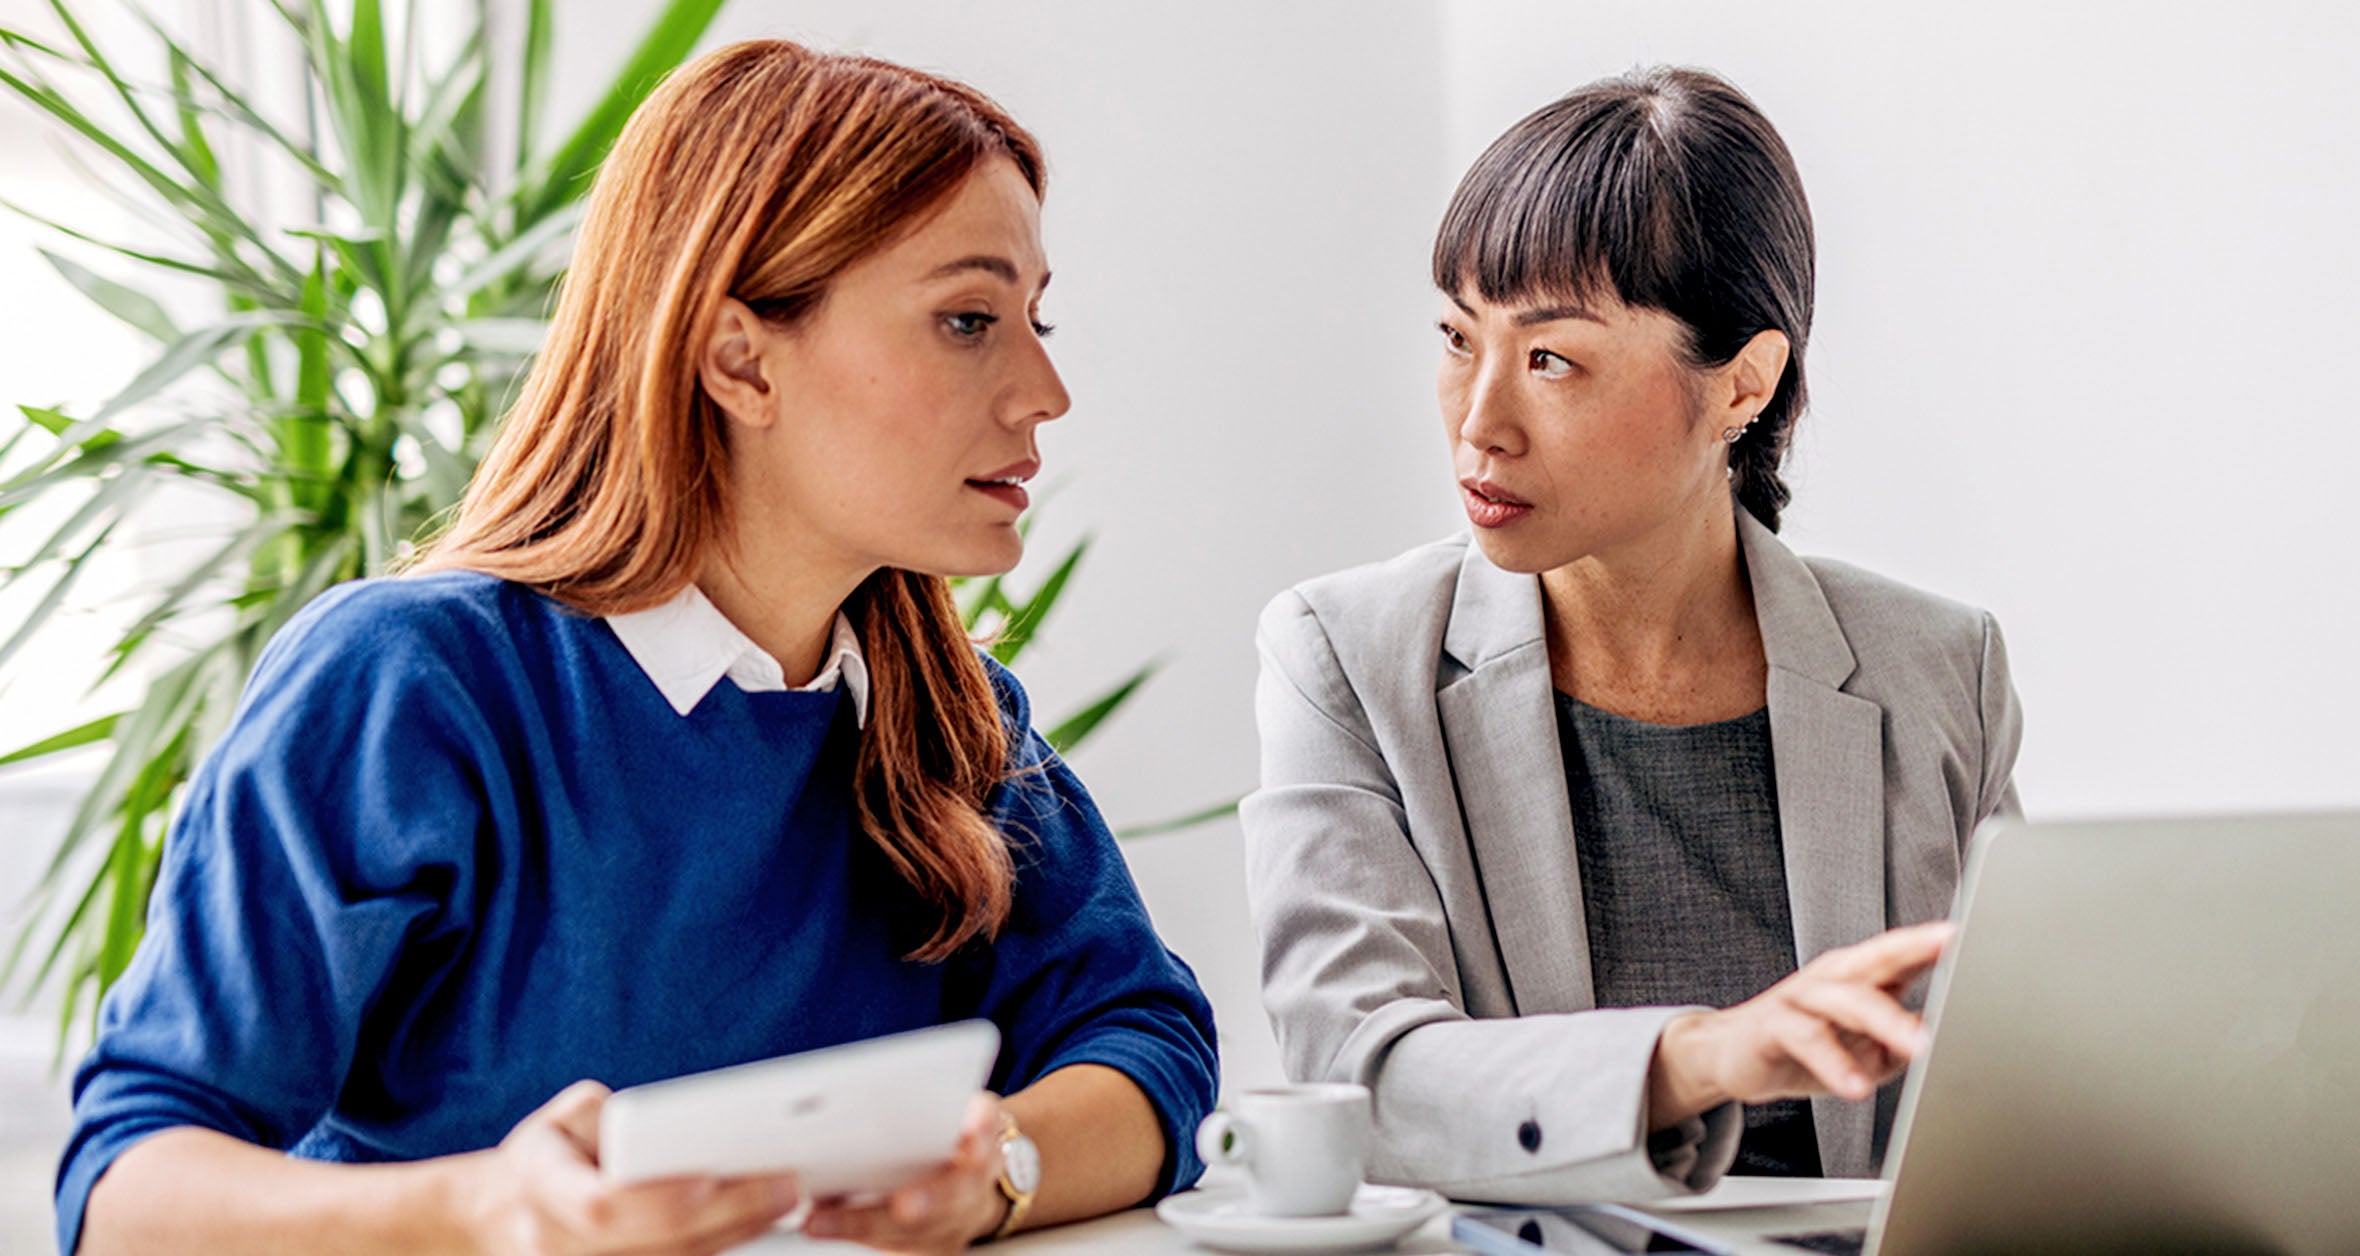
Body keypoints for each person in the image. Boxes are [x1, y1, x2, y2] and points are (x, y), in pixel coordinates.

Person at [57, 41, 1216, 1256]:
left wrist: (995, 1170)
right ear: (739, 359)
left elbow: (1150, 1042)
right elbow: (124, 1192)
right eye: (968, 319)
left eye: (1035, 318)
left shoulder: (950, 717)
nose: (1046, 389)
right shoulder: (409, 687)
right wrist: (486, 1211)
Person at [1242, 66, 2022, 1203]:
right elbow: (1358, 1071)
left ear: (1743, 386)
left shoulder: (1941, 670)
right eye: (1458, 338)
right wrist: (1696, 1059)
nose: (1478, 422)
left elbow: (2017, 1077)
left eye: (1550, 358)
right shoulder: (1347, 656)